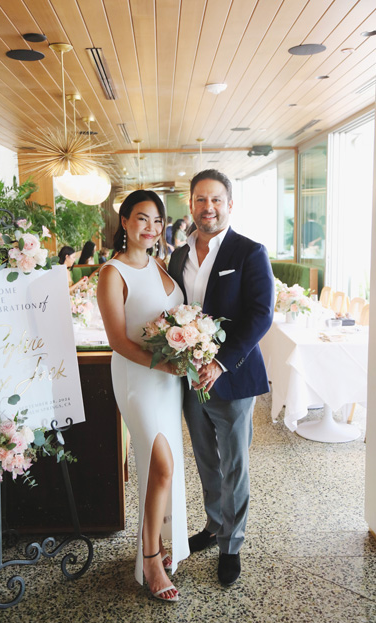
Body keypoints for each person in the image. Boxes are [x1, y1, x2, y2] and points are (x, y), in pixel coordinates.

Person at [167, 169, 274, 586]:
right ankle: (214, 526)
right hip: (190, 376)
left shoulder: (250, 252)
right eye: (200, 200)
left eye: (216, 200)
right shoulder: (178, 254)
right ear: (190, 205)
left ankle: (232, 544)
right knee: (206, 458)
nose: (207, 208)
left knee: (234, 464)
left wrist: (220, 362)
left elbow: (261, 314)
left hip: (230, 375)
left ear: (229, 204)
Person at [96, 190, 189, 602]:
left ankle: (159, 541)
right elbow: (118, 340)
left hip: (167, 381)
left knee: (162, 467)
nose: (150, 228)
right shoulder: (111, 273)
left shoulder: (160, 264)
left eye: (156, 221)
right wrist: (164, 363)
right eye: (141, 219)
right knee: (161, 463)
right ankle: (150, 557)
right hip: (137, 377)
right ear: (125, 223)